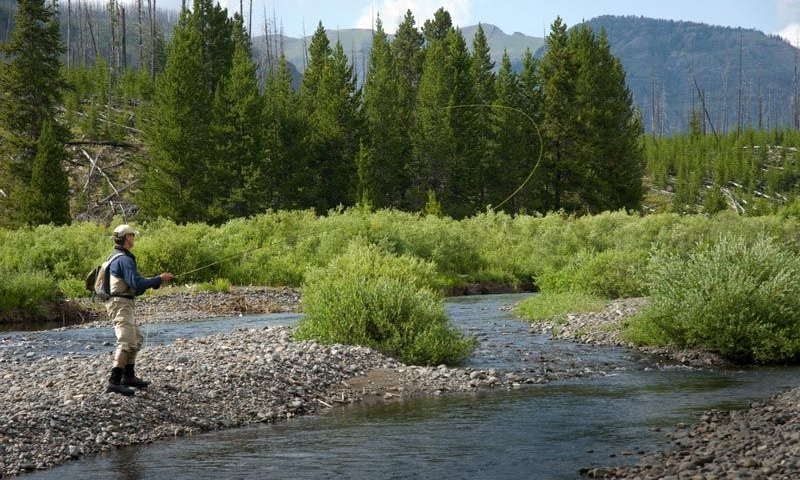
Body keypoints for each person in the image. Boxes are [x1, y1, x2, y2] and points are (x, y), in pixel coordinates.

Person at [104, 224, 173, 396]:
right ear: (127, 237)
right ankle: (114, 382)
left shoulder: (117, 256)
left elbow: (135, 283)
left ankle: (128, 376)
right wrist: (159, 278)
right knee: (126, 341)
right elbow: (137, 284)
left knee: (137, 338)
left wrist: (155, 282)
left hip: (124, 303)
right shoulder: (123, 259)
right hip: (120, 304)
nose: (134, 238)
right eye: (132, 236)